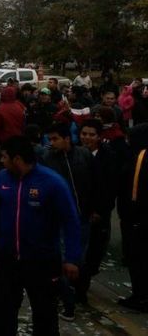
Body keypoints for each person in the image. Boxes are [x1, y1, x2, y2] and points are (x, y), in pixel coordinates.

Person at [0, 136, 81, 336]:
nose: (1, 161)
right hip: (8, 259)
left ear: (17, 159)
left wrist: (72, 258)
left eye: (4, 157)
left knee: (45, 315)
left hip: (42, 261)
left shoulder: (52, 182)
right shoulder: (2, 178)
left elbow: (71, 220)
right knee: (2, 313)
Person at [42, 122, 94, 320]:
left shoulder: (83, 155)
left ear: (67, 138)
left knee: (79, 258)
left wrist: (95, 208)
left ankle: (79, 293)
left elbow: (95, 182)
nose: (52, 143)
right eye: (50, 139)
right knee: (63, 259)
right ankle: (67, 300)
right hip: (59, 218)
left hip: (82, 216)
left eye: (55, 139)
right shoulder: (48, 158)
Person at [75, 119, 119, 305]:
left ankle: (81, 287)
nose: (87, 138)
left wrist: (100, 210)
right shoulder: (75, 153)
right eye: (84, 134)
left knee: (93, 252)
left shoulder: (108, 157)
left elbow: (110, 187)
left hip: (98, 213)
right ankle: (77, 288)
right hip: (79, 211)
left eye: (91, 135)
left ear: (99, 137)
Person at [116, 123, 148, 312]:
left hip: (137, 218)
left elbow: (134, 191)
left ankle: (140, 296)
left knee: (137, 258)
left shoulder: (140, 157)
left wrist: (131, 214)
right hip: (138, 217)